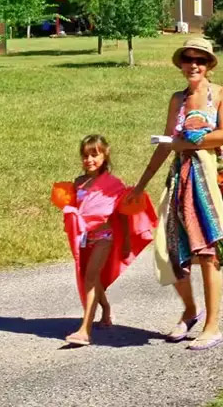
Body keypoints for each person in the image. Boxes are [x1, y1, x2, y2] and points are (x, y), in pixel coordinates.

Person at [131, 37, 223, 351]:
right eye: (188, 59)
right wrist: (140, 186)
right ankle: (191, 311)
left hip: (211, 179)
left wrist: (185, 142)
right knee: (171, 249)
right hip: (181, 178)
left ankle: (213, 326)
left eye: (201, 60)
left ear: (209, 65)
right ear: (181, 64)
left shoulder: (221, 94)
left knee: (207, 252)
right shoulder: (177, 99)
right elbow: (167, 144)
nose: (194, 65)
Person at [58, 134, 157, 347]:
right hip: (85, 237)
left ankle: (85, 330)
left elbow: (121, 214)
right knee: (90, 278)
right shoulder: (79, 182)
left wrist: (128, 245)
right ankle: (106, 310)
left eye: (95, 154)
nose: (89, 160)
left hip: (104, 237)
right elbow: (78, 209)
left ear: (105, 155)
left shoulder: (112, 184)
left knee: (91, 278)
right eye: (85, 156)